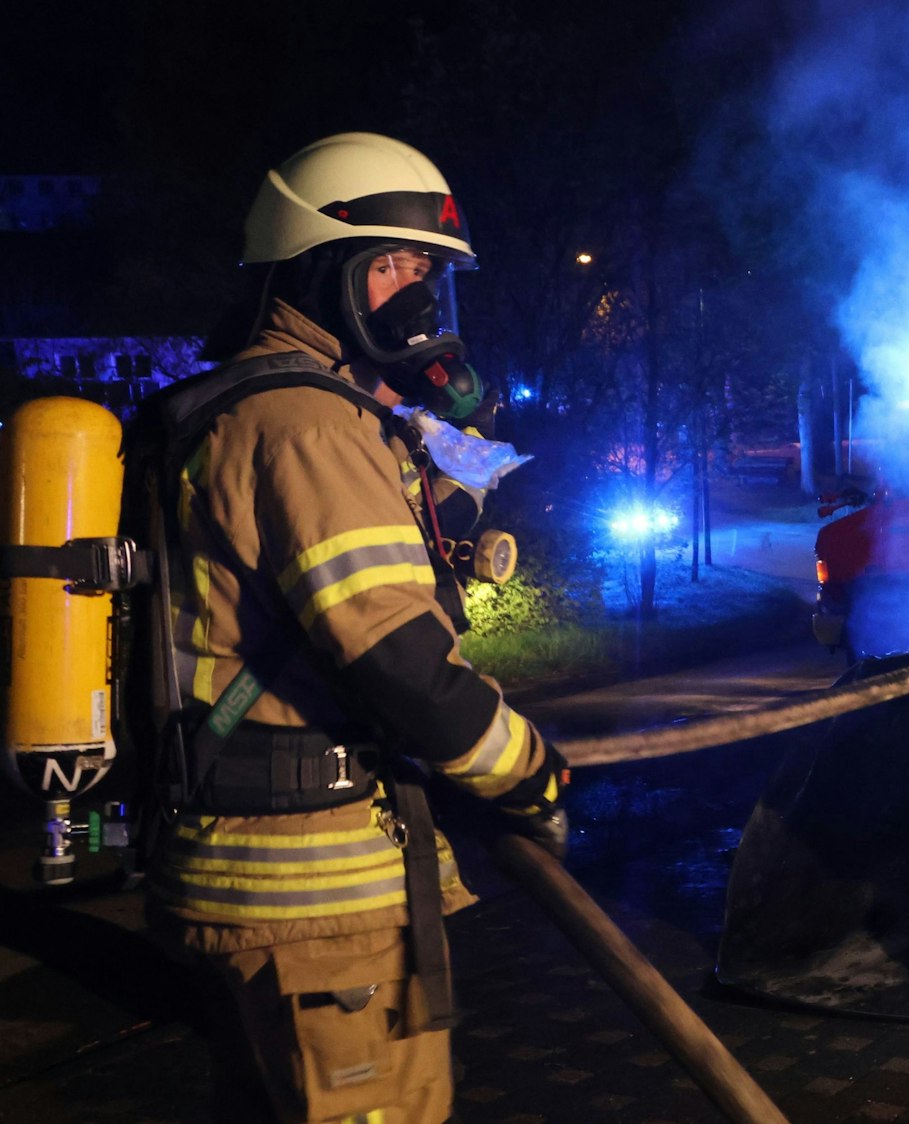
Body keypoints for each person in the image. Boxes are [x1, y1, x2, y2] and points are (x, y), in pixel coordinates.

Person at [142, 132, 565, 1124]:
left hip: (255, 884)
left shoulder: (250, 408)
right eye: (391, 267)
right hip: (322, 911)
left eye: (426, 274)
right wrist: (530, 774)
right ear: (317, 271)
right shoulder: (308, 425)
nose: (416, 299)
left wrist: (447, 467)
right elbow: (399, 658)